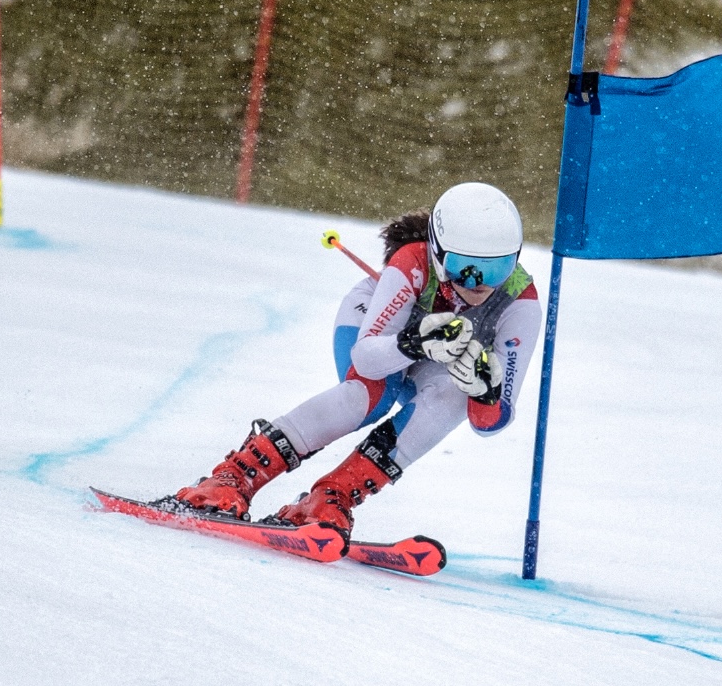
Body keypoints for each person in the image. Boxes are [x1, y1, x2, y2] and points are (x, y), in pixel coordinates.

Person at [173, 182, 542, 532]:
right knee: (372, 395)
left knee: (453, 394)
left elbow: (490, 424)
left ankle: (330, 498)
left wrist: (486, 392)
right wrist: (413, 342)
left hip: (434, 361)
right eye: (465, 266)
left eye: (498, 267)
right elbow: (366, 358)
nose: (479, 281)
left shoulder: (520, 302)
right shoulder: (413, 262)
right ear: (438, 252)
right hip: (372, 328)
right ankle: (234, 476)